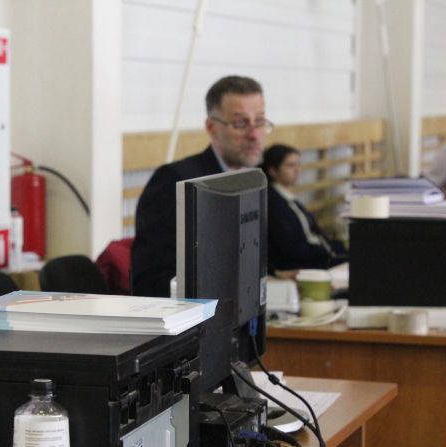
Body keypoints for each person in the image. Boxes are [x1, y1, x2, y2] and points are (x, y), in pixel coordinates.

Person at [131, 75, 271, 296]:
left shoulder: (256, 180)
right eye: (240, 123)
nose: (254, 135)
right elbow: (149, 281)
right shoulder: (176, 182)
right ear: (211, 127)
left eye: (260, 121)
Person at [261, 143, 347, 272]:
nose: (297, 170)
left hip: (320, 255)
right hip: (305, 265)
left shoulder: (287, 198)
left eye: (298, 164)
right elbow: (291, 249)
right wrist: (328, 251)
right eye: (290, 165)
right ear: (273, 170)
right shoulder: (273, 203)